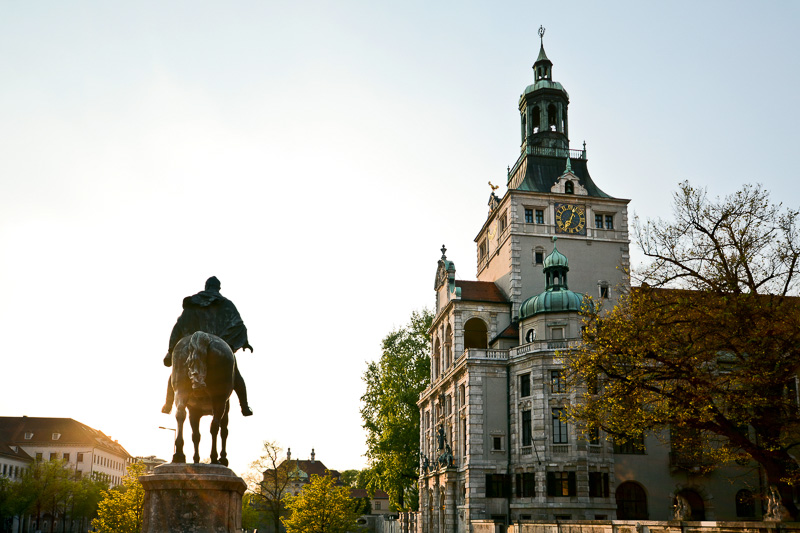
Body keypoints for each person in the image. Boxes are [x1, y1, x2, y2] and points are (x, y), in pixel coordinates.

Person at [162, 276, 254, 416]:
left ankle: (168, 404)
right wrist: (241, 342)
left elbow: (179, 326)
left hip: (190, 340)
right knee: (236, 377)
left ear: (206, 286)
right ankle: (245, 406)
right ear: (218, 288)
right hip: (218, 342)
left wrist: (170, 351)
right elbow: (238, 325)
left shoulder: (192, 303)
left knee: (176, 374)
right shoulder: (226, 304)